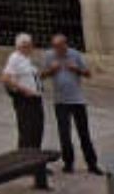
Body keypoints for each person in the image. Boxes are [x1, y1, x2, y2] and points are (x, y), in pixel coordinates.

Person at [41, 33, 101, 175]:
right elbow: (41, 76)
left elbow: (88, 74)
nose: (56, 50)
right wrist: (51, 70)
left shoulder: (75, 54)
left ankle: (92, 164)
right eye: (54, 47)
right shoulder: (49, 56)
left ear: (65, 45)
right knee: (64, 134)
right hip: (60, 101)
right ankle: (68, 163)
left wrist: (76, 69)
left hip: (77, 100)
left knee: (84, 133)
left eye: (59, 46)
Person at [1, 32, 47, 186]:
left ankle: (36, 164)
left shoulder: (26, 59)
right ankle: (25, 164)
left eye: (31, 45)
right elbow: (5, 78)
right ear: (21, 46)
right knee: (27, 131)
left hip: (35, 99)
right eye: (28, 45)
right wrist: (24, 90)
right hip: (25, 101)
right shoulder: (15, 58)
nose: (31, 47)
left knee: (37, 131)